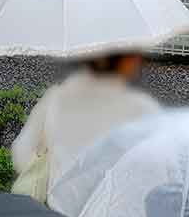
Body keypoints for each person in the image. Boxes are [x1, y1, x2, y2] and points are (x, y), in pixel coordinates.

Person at [10, 52, 160, 206]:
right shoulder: (142, 108)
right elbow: (158, 171)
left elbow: (21, 154)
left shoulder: (56, 98)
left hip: (62, 215)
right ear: (126, 60)